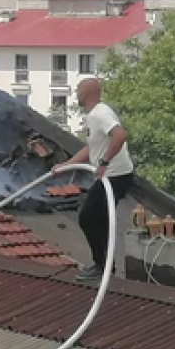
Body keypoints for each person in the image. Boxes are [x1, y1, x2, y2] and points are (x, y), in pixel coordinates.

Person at [54, 78, 136, 280]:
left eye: (79, 90)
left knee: (88, 217)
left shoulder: (101, 113)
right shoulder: (94, 116)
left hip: (116, 175)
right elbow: (91, 148)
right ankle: (106, 265)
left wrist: (104, 163)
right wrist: (67, 165)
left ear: (88, 93)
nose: (76, 94)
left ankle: (101, 266)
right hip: (111, 174)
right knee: (99, 218)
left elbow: (120, 135)